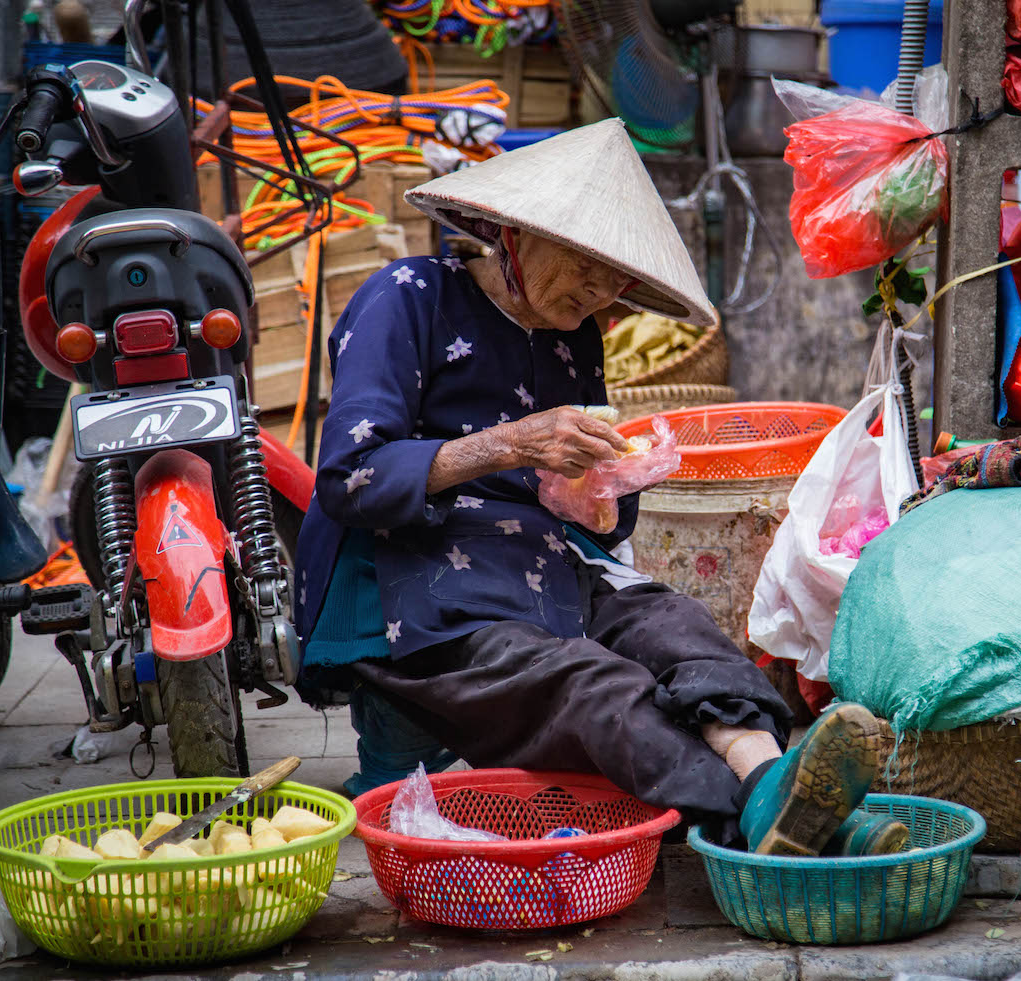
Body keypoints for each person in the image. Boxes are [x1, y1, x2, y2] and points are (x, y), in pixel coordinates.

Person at [293, 119, 890, 855]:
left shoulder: (574, 335)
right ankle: (781, 817)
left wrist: (604, 491)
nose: (604, 290)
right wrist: (509, 442)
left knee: (681, 628)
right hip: (419, 597)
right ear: (516, 233)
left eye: (619, 278)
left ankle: (773, 786)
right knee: (596, 685)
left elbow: (588, 509)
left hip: (548, 572)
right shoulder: (408, 297)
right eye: (589, 264)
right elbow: (352, 479)